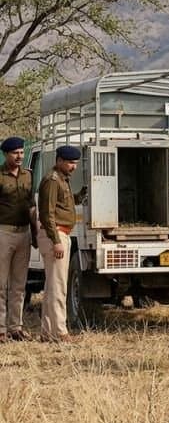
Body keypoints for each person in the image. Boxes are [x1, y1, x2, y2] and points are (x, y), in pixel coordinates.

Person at [37, 145, 87, 342]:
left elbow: (61, 204)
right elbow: (47, 214)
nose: (73, 166)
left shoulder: (62, 180)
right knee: (59, 287)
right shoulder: (52, 180)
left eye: (75, 163)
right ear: (59, 161)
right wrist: (56, 241)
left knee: (52, 286)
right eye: (70, 162)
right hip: (55, 235)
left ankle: (48, 332)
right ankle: (60, 332)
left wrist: (80, 195)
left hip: (59, 234)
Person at [0, 137, 37, 343]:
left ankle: (16, 327)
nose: (19, 156)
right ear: (6, 154)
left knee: (19, 284)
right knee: (1, 284)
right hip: (3, 233)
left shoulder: (28, 176)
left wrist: (35, 233)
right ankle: (1, 329)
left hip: (23, 233)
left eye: (21, 152)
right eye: (15, 153)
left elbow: (31, 206)